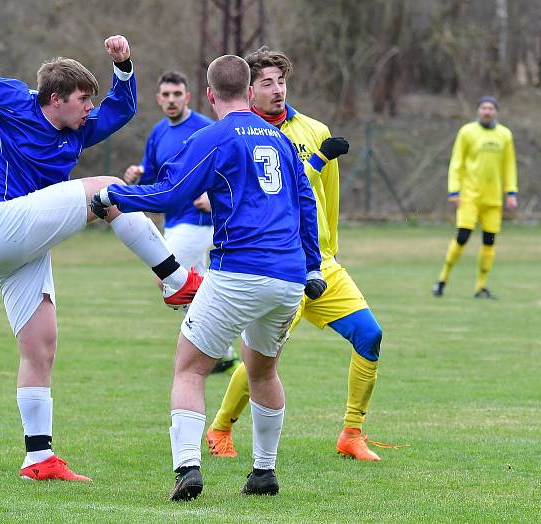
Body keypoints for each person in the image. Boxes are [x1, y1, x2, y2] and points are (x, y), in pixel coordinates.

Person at [0, 36, 202, 482]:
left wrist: (124, 66)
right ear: (55, 99)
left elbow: (121, 109)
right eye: (83, 99)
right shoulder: (16, 101)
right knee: (108, 188)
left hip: (22, 246)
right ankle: (175, 280)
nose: (89, 108)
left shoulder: (79, 128)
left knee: (40, 346)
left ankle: (39, 458)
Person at [90, 54, 324, 500]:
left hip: (240, 270)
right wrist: (312, 266)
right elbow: (305, 204)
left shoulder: (214, 136)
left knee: (190, 366)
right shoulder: (279, 139)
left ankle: (187, 469)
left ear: (210, 95)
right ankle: (263, 472)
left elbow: (170, 191)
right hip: (290, 277)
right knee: (263, 371)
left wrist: (111, 193)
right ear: (250, 92)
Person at [204, 47, 395, 462]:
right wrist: (319, 161)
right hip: (276, 263)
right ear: (248, 91)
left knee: (370, 335)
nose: (277, 90)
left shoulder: (315, 130)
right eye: (267, 83)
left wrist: (328, 251)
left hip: (320, 263)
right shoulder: (245, 134)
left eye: (281, 81)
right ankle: (220, 428)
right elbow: (278, 195)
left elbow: (326, 199)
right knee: (262, 360)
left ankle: (352, 432)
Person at [123, 71, 238, 373]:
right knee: (199, 285)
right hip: (172, 221)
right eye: (166, 95)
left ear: (187, 96)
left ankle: (210, 348)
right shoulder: (159, 132)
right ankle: (222, 350)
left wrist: (214, 199)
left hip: (197, 222)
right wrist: (139, 172)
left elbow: (228, 170)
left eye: (178, 94)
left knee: (168, 278)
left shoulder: (204, 127)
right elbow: (156, 173)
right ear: (159, 99)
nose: (172, 100)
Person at [432, 95, 518, 299]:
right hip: (469, 196)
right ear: (478, 110)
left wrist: (511, 191)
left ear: (496, 111)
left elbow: (509, 165)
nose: (487, 111)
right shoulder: (467, 132)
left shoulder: (505, 134)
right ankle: (442, 280)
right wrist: (454, 190)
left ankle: (480, 287)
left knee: (489, 241)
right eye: (484, 108)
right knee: (462, 237)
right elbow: (457, 162)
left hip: (493, 199)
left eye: (491, 108)